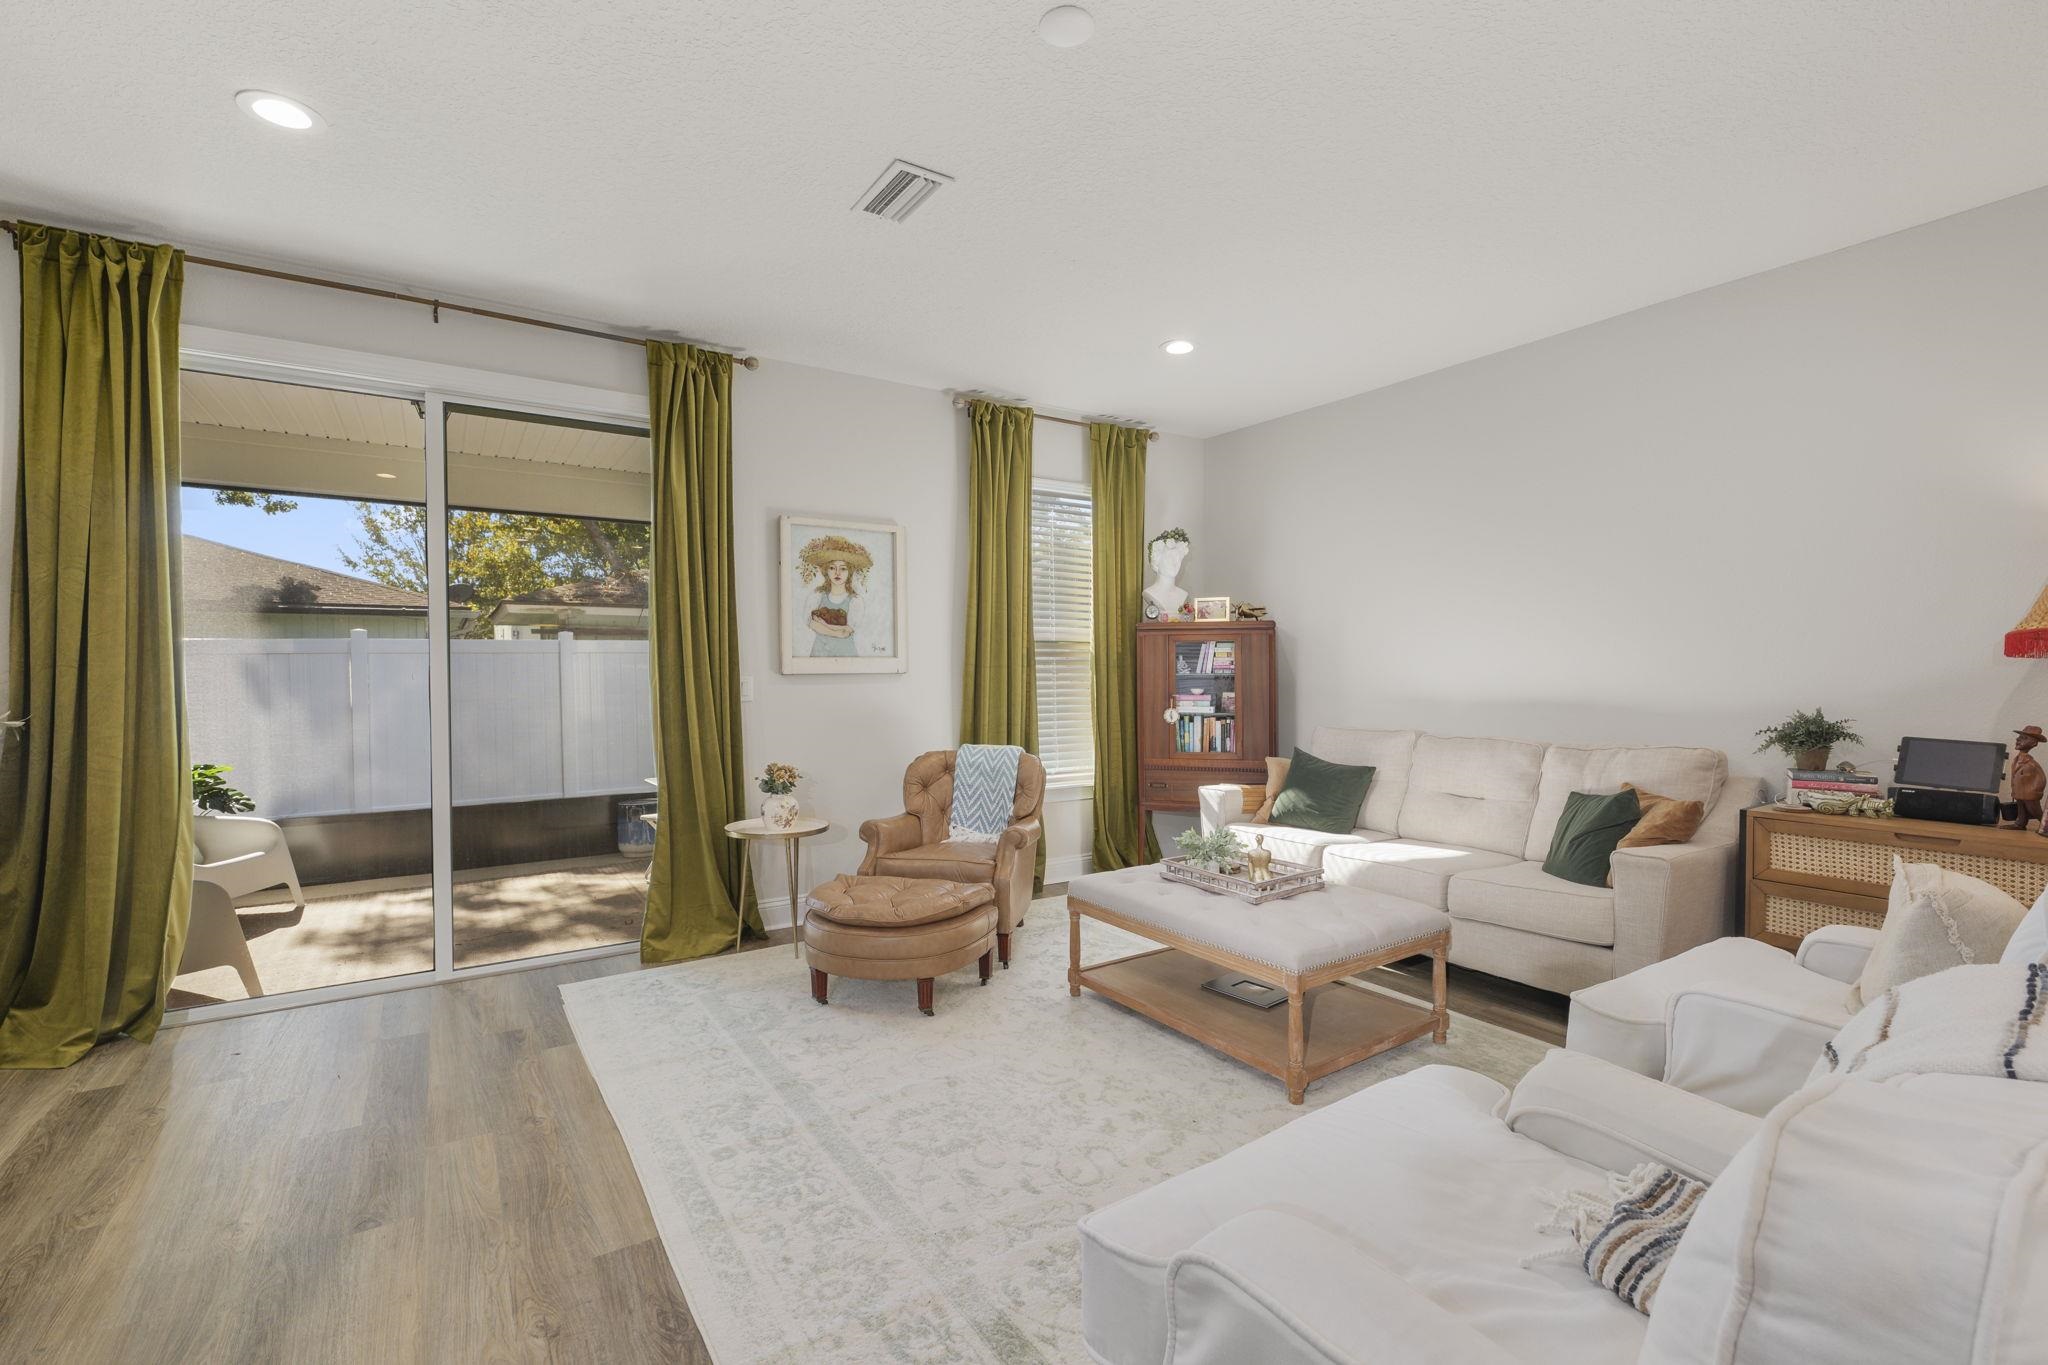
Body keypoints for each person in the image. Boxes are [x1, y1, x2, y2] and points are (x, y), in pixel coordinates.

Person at [798, 534, 874, 658]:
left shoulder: (855, 600)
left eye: (843, 569)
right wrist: (838, 633)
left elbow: (848, 631)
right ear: (826, 571)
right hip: (820, 653)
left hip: (846, 654)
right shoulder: (817, 596)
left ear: (849, 572)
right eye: (832, 568)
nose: (837, 573)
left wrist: (825, 625)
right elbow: (812, 624)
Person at [2008, 725, 2046, 832]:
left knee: (2034, 810)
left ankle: (2046, 826)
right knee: (2021, 808)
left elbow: (2042, 779)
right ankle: (2020, 824)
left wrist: (2034, 792)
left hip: (2029, 793)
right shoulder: (2017, 759)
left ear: (2034, 743)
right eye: (2019, 737)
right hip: (2020, 792)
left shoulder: (2032, 764)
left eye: (2024, 738)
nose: (2018, 739)